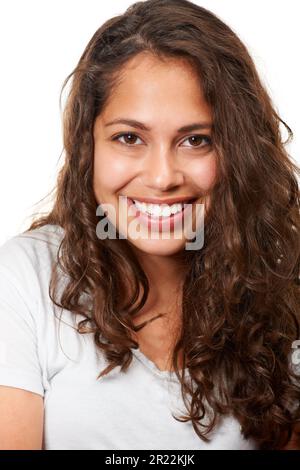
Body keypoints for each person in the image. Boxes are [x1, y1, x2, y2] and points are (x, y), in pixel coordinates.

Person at [0, 0, 299, 450]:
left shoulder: (279, 290)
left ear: (239, 152)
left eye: (196, 140)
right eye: (129, 138)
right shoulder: (23, 279)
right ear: (89, 147)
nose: (162, 177)